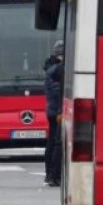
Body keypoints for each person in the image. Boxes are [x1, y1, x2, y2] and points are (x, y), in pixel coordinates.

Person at [43, 40, 64, 187]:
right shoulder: (57, 70)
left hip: (52, 109)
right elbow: (58, 92)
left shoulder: (50, 68)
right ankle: (53, 175)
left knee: (52, 142)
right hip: (57, 111)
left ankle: (50, 174)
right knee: (57, 143)